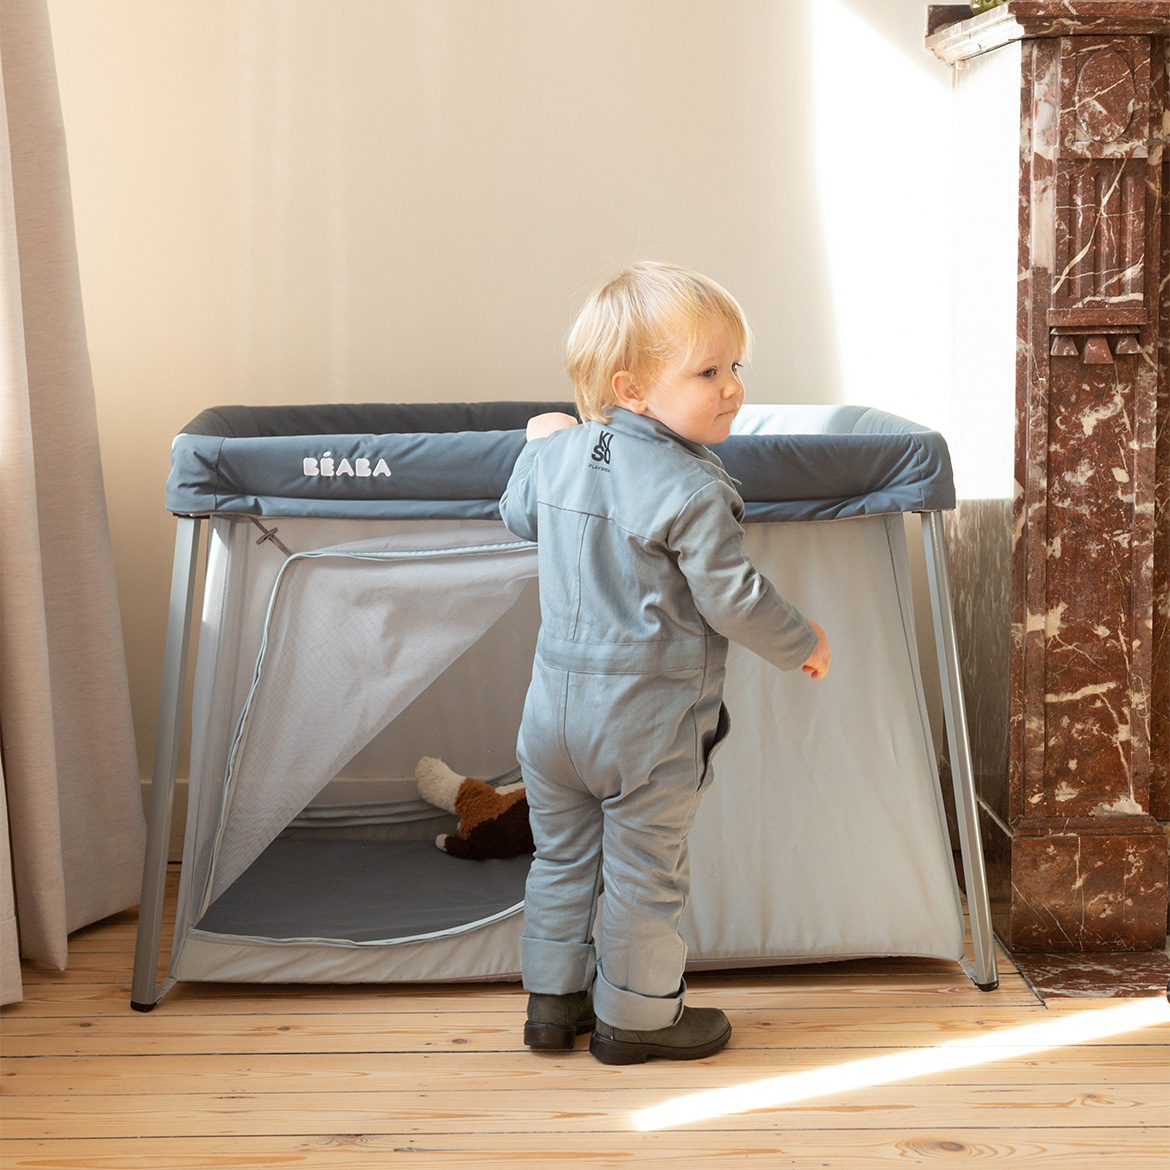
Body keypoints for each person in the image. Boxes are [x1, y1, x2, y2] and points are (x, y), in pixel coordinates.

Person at [499, 261, 830, 1065]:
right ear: (633, 389)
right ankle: (638, 1019)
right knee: (646, 873)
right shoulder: (690, 485)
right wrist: (803, 641)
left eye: (735, 368)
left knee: (562, 858)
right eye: (708, 371)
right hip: (646, 722)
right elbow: (734, 598)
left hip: (551, 720)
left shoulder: (563, 454)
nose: (732, 388)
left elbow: (517, 518)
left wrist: (536, 445)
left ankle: (552, 1001)